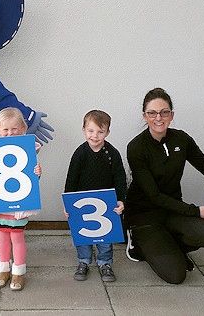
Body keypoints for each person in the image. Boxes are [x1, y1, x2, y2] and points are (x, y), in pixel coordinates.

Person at [124, 88, 204, 284]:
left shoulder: (182, 139)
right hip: (144, 217)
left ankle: (170, 245)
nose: (158, 117)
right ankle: (135, 240)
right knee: (176, 275)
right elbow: (153, 195)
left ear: (172, 115)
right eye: (152, 113)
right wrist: (195, 211)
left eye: (164, 112)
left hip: (172, 212)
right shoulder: (136, 147)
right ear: (145, 116)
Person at [0, 107, 42, 292]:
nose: (9, 133)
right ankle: (3, 269)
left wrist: (37, 172)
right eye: (5, 129)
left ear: (23, 128)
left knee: (17, 236)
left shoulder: (28, 148)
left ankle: (19, 272)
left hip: (18, 204)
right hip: (0, 202)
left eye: (14, 129)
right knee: (2, 236)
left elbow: (29, 176)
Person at [64, 110, 127, 283]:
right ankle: (83, 261)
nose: (95, 136)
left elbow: (120, 179)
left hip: (106, 204)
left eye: (100, 131)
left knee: (105, 236)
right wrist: (68, 203)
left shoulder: (112, 154)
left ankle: (105, 263)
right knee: (83, 234)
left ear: (107, 132)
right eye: (91, 131)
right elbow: (71, 179)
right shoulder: (80, 154)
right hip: (81, 203)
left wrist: (121, 199)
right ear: (84, 130)